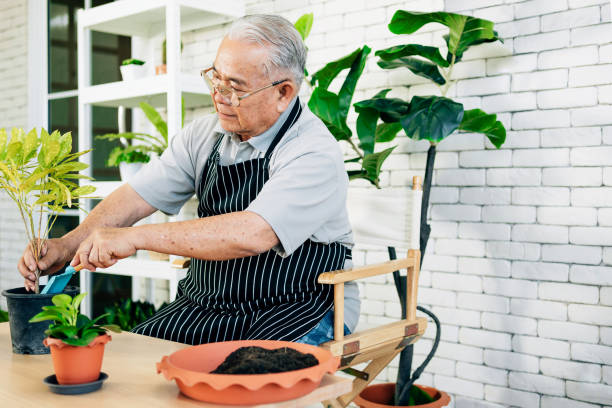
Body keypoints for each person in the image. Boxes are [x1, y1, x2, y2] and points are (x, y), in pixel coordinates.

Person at [18, 14, 359, 345]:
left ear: (283, 93)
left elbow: (253, 233)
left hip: (294, 308)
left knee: (231, 388)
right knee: (136, 363)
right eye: (215, 78)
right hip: (205, 305)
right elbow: (137, 195)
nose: (219, 96)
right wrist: (68, 245)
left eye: (235, 88)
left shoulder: (312, 151)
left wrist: (135, 239)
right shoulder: (204, 135)